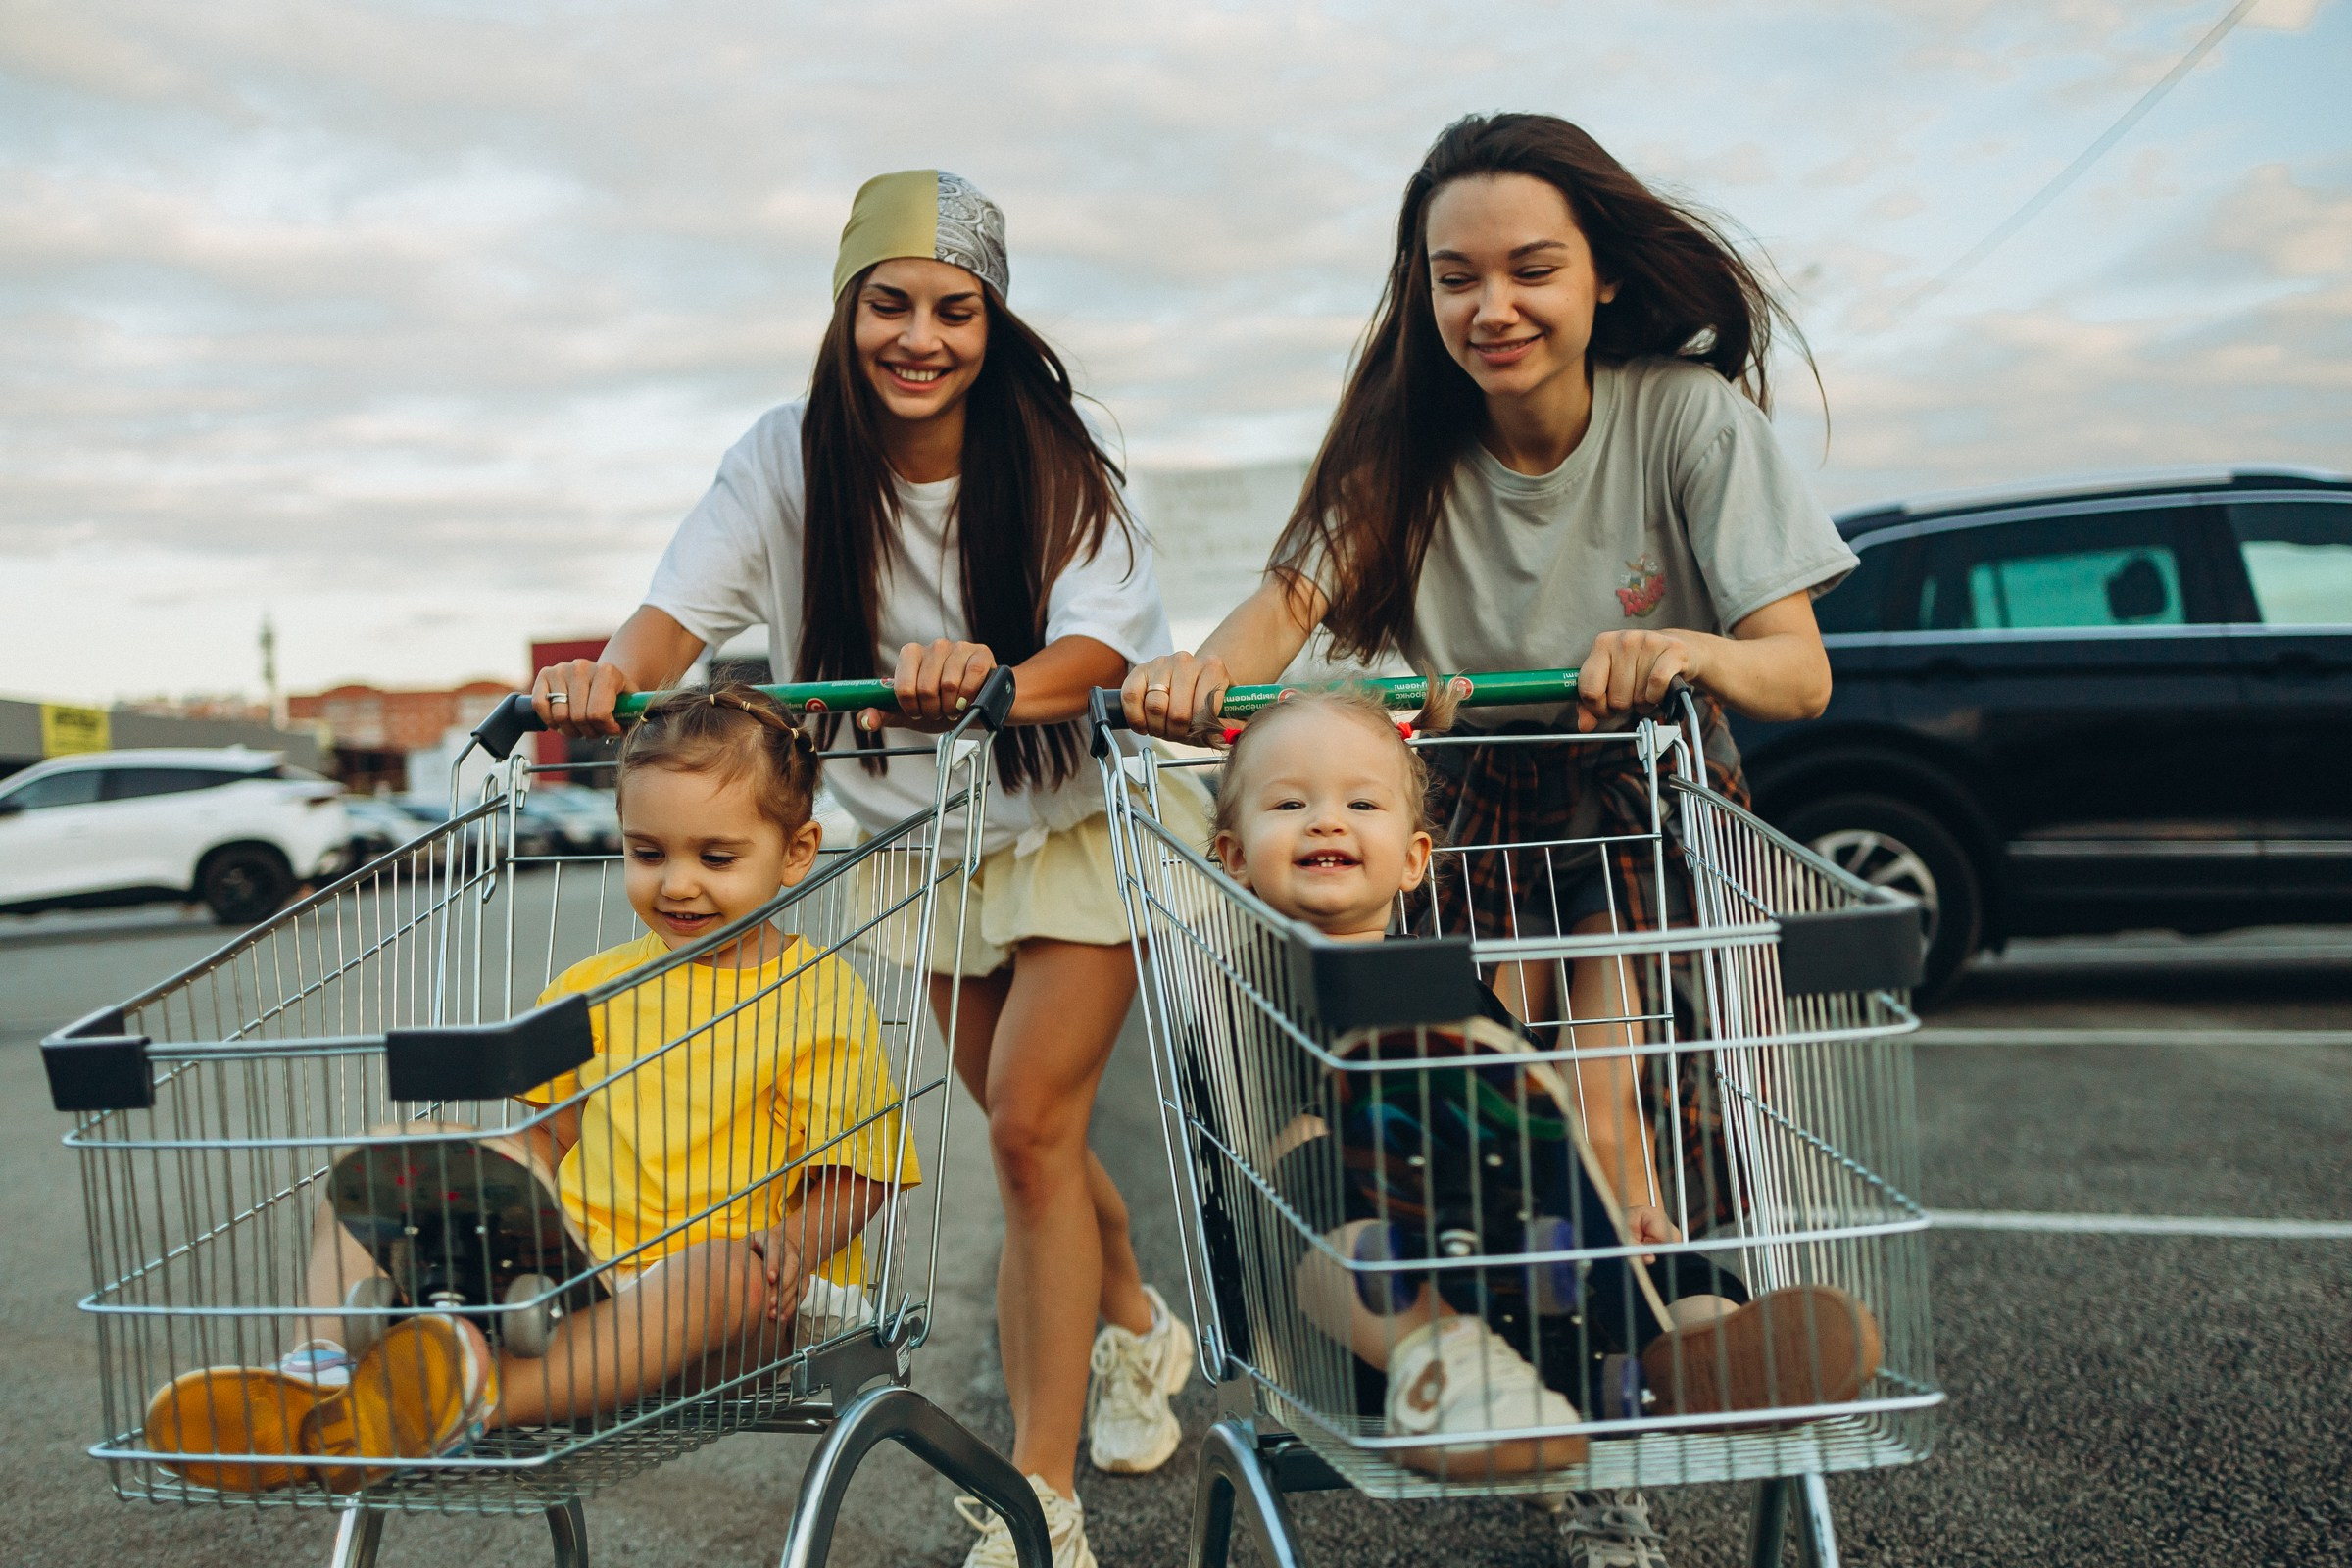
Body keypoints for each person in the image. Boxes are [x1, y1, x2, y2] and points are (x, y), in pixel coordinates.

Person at [1122, 113, 1861, 1567]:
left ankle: (1666, 1371)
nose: (1492, 306)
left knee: (1626, 1140)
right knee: (1474, 1144)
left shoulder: (1685, 418)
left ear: (1598, 277)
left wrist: (1685, 654)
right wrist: (1187, 685)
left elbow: (1800, 670)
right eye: (1456, 276)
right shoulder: (1402, 457)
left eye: (1531, 269)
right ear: (1424, 293)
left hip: (1645, 798)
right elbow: (1257, 643)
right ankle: (1512, 1374)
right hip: (1465, 824)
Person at [531, 171, 1201, 1568]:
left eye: (955, 310)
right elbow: (674, 613)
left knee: (1025, 1129)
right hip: (928, 851)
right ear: (845, 314)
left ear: (993, 322)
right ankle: (1136, 1319)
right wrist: (613, 676)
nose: (921, 337)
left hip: (1064, 829)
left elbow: (1102, 648)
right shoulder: (786, 457)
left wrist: (998, 677)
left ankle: (1037, 1500)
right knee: (1042, 1141)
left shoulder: (1053, 458)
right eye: (889, 304)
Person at [144, 683, 908, 1492]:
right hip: (574, 1281)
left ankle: (469, 1397)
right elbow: (549, 1140)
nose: (676, 884)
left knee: (719, 1273)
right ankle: (322, 1377)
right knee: (392, 1156)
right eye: (648, 853)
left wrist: (792, 1246)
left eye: (714, 857)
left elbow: (860, 1174)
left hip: (748, 1307)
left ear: (797, 852)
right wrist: (465, 1179)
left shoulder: (820, 999)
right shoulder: (594, 989)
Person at [1199, 686, 1880, 1481]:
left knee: (1663, 1262)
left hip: (1529, 1274)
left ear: (1416, 861)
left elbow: (1537, 1112)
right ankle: (1455, 1374)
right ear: (1235, 854)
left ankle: (1698, 1355)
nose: (1327, 820)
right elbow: (1257, 1148)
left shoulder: (1450, 990)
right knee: (1311, 1187)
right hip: (1380, 1319)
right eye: (1289, 803)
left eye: (1360, 801)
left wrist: (1605, 1206)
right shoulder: (1245, 993)